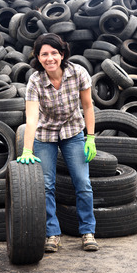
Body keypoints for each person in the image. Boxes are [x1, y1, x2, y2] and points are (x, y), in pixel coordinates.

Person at [16, 33, 98, 252]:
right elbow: (31, 118)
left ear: (62, 54)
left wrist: (90, 137)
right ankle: (52, 234)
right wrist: (26, 148)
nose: (49, 58)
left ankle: (88, 232)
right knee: (46, 185)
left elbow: (88, 106)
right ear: (38, 57)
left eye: (54, 53)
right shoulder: (35, 80)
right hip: (45, 134)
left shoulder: (78, 73)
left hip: (73, 132)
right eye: (44, 54)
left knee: (83, 182)